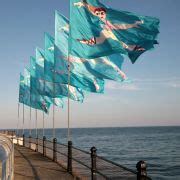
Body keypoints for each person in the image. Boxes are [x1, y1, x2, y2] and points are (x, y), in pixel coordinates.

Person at [74, 0, 145, 51]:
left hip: (112, 34)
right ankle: (136, 47)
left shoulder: (110, 23)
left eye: (101, 13)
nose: (100, 15)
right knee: (120, 42)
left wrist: (133, 25)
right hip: (106, 33)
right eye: (98, 14)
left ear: (104, 13)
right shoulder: (100, 21)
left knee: (124, 43)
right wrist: (84, 4)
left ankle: (137, 47)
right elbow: (93, 12)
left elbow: (122, 26)